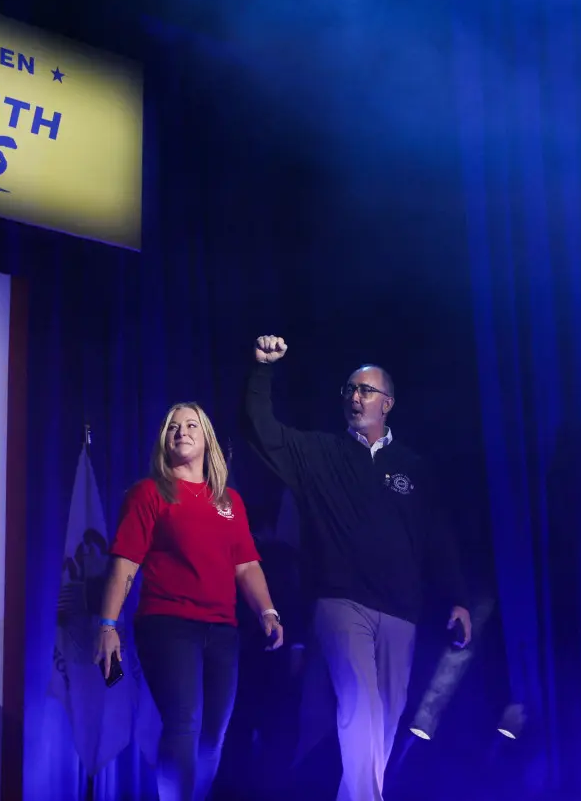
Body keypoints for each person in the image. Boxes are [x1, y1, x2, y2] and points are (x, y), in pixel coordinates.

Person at [242, 335, 471, 801]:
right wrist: (262, 370)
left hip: (401, 611)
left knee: (385, 719)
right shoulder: (319, 453)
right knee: (360, 707)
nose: (354, 397)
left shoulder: (413, 468)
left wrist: (458, 598)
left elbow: (438, 539)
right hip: (341, 602)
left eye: (365, 390)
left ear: (387, 402)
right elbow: (261, 428)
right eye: (349, 389)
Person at [96, 403, 284, 801]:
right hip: (167, 624)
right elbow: (125, 562)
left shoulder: (230, 501)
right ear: (164, 440)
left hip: (221, 630)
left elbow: (247, 564)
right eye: (172, 427)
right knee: (184, 722)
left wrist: (267, 611)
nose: (181, 431)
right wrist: (108, 625)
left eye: (191, 425)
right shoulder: (149, 494)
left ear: (207, 440)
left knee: (213, 733)